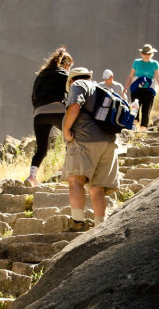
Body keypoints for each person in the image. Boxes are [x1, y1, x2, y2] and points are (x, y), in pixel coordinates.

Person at [62, 67, 120, 229]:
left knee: (75, 180)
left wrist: (66, 130)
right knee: (97, 189)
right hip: (108, 143)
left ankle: (78, 223)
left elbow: (74, 106)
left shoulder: (78, 85)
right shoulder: (102, 89)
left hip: (85, 141)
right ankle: (100, 226)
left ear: (71, 80)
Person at [25, 47, 73, 187]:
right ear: (65, 64)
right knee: (70, 139)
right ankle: (70, 172)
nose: (69, 68)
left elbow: (33, 95)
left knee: (41, 149)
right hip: (58, 110)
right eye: (69, 65)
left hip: (39, 114)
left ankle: (32, 177)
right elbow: (72, 93)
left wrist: (37, 109)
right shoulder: (64, 74)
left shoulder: (40, 76)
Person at [123, 44, 159, 131]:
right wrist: (125, 88)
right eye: (145, 53)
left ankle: (143, 130)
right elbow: (130, 76)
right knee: (134, 109)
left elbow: (157, 77)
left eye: (149, 54)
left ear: (152, 54)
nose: (147, 55)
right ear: (142, 54)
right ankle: (133, 128)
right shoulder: (136, 62)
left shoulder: (155, 64)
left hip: (148, 90)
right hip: (136, 89)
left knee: (146, 110)